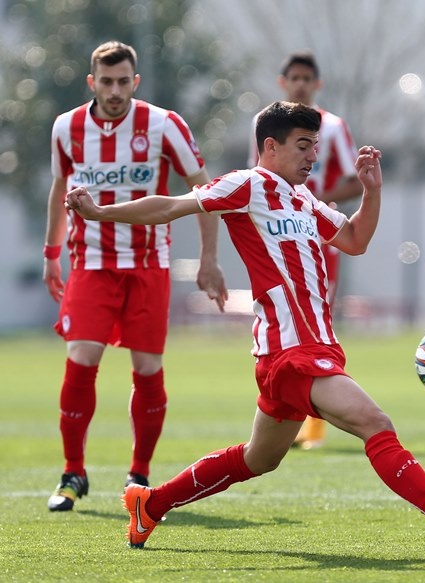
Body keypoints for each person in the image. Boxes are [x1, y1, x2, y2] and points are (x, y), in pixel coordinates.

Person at [64, 101, 425, 554]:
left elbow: (354, 240)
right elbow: (173, 206)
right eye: (303, 145)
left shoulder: (303, 198)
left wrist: (372, 192)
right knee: (374, 422)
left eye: (315, 144)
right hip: (289, 351)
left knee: (259, 458)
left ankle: (150, 504)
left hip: (314, 347)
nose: (313, 154)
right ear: (270, 146)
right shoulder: (248, 184)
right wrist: (101, 213)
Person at [43, 41, 227, 512]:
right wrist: (51, 254)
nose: (115, 90)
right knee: (80, 359)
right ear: (92, 83)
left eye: (123, 81)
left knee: (147, 369)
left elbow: (204, 189)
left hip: (148, 266)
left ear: (135, 82)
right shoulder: (67, 127)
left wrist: (209, 259)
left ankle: (139, 474)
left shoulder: (163, 124)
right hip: (92, 263)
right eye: (106, 82)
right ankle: (72, 471)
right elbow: (60, 187)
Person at [248, 50, 362, 450]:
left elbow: (352, 181)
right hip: (278, 233)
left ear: (317, 85)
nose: (300, 84)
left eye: (306, 79)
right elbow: (257, 180)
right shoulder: (269, 125)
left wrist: (309, 201)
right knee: (281, 315)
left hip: (317, 232)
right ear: (284, 83)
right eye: (293, 78)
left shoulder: (332, 128)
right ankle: (292, 413)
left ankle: (313, 426)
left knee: (317, 313)